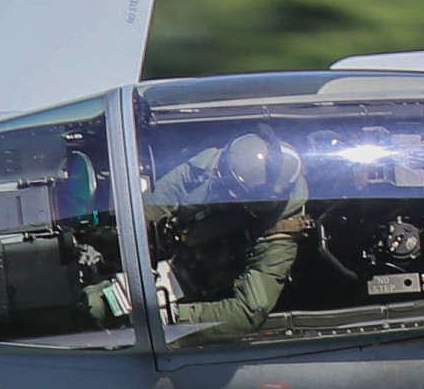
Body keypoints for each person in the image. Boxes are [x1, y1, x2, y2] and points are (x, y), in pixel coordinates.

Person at [88, 130, 309, 333]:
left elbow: (249, 311)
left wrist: (170, 317)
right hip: (174, 249)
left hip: (198, 281)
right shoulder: (227, 163)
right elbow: (159, 201)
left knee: (97, 307)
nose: (218, 181)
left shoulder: (280, 234)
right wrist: (123, 236)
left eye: (229, 188)